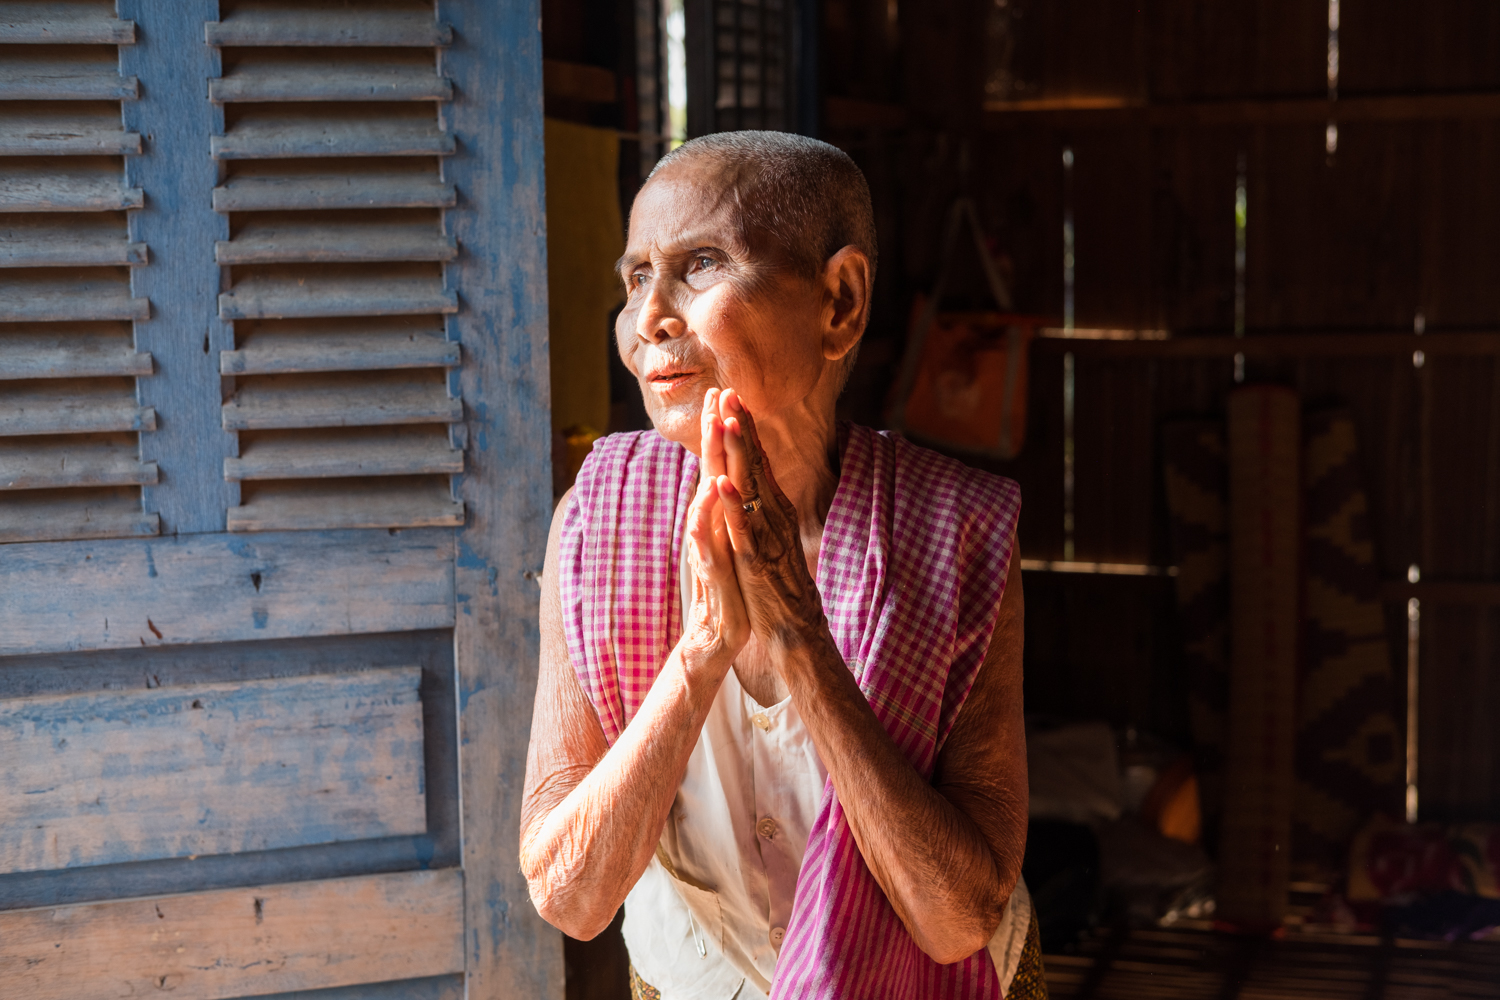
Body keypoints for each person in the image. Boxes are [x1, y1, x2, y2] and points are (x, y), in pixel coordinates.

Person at [521, 131, 1043, 1000]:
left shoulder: (954, 532)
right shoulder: (596, 524)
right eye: (635, 277)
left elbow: (956, 920)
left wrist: (801, 638)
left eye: (699, 265)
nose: (649, 316)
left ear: (839, 302)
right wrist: (698, 656)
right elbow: (568, 896)